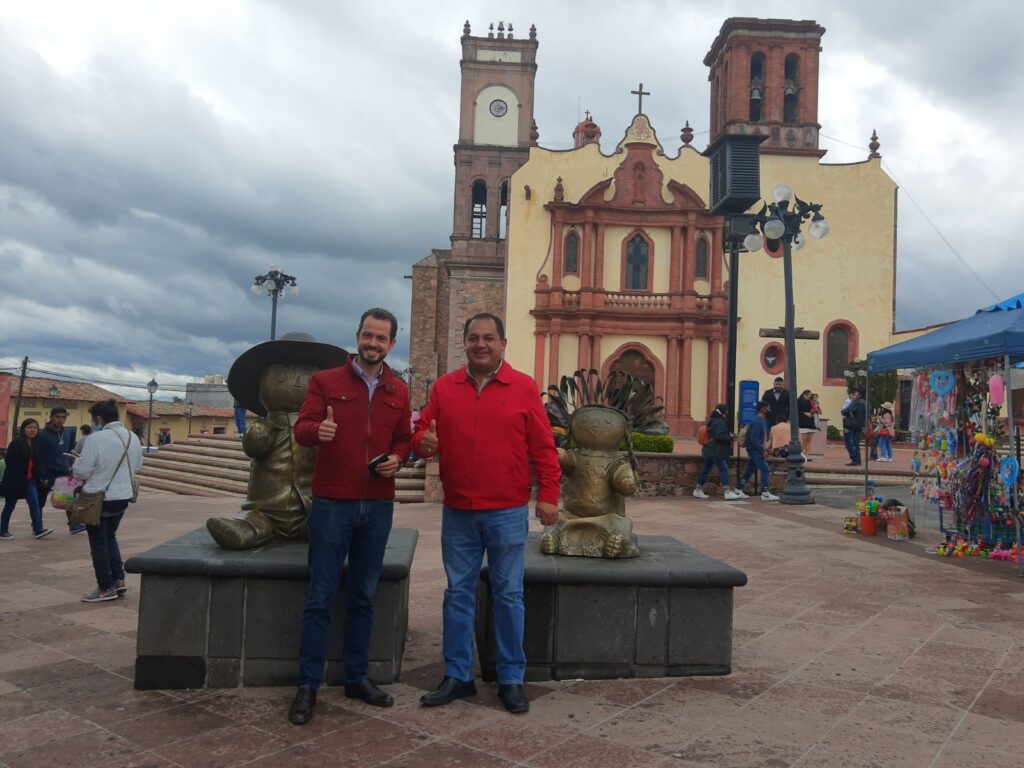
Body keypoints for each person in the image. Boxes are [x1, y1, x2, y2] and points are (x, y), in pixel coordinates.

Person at [412, 312, 560, 715]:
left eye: (489, 338)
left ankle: (511, 678)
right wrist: (423, 443)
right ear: (465, 342)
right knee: (457, 594)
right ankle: (458, 675)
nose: (481, 344)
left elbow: (544, 449)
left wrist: (548, 494)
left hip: (507, 510)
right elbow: (423, 438)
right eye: (474, 337)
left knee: (509, 595)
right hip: (458, 510)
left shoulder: (524, 388)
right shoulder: (444, 388)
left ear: (502, 344)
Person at [287, 308, 412, 725]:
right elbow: (302, 427)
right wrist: (315, 433)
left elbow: (404, 440)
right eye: (367, 335)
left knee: (363, 596)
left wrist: (397, 458)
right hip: (332, 504)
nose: (373, 343)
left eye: (381, 338)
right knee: (319, 597)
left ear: (392, 344)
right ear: (357, 336)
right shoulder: (326, 381)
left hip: (377, 505)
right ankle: (308, 685)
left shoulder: (398, 388)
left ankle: (357, 677)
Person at [73, 400, 144, 601]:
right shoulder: (133, 437)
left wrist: (77, 461)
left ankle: (105, 587)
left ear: (98, 419)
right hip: (123, 496)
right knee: (110, 537)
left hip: (99, 497)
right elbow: (138, 465)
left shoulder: (95, 439)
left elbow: (82, 470)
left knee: (98, 543)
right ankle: (119, 580)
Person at [0, 418, 54, 540]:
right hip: (15, 481)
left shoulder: (36, 444)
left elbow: (38, 463)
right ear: (23, 429)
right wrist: (14, 480)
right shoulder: (16, 443)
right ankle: (2, 531)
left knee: (34, 503)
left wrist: (42, 477)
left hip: (30, 480)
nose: (32, 430)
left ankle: (38, 529)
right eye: (29, 427)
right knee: (10, 505)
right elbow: (10, 463)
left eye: (35, 428)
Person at [36, 406, 84, 534]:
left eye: (63, 417)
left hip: (63, 471)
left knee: (68, 497)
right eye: (57, 417)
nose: (60, 420)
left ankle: (74, 524)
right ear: (51, 417)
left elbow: (69, 450)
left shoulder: (67, 433)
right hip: (47, 472)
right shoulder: (42, 435)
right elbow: (38, 456)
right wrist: (42, 475)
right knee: (41, 499)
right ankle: (37, 525)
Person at [693, 404, 745, 500]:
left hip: (708, 449)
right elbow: (719, 436)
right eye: (726, 411)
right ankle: (727, 491)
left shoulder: (712, 420)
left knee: (706, 469)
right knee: (724, 468)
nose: (727, 413)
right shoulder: (720, 422)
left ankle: (698, 490)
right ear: (723, 412)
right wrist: (731, 437)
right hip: (716, 450)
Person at [740, 404, 778, 501]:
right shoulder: (757, 421)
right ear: (763, 409)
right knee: (765, 469)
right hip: (755, 450)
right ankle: (765, 493)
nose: (770, 410)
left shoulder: (760, 420)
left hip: (753, 449)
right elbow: (754, 439)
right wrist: (763, 451)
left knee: (750, 470)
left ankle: (738, 489)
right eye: (768, 408)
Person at [842, 388, 867, 465]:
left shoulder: (856, 402)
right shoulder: (864, 403)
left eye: (856, 392)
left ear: (859, 394)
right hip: (858, 426)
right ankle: (857, 459)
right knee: (856, 443)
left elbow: (844, 411)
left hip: (850, 425)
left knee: (849, 443)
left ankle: (855, 459)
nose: (855, 394)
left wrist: (846, 412)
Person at [797, 389, 817, 459]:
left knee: (809, 440)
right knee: (803, 440)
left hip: (811, 422)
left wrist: (815, 410)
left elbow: (814, 410)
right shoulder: (799, 401)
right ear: (804, 395)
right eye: (809, 395)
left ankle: (807, 455)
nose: (810, 396)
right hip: (803, 422)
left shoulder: (811, 402)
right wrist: (805, 413)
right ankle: (801, 454)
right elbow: (797, 411)